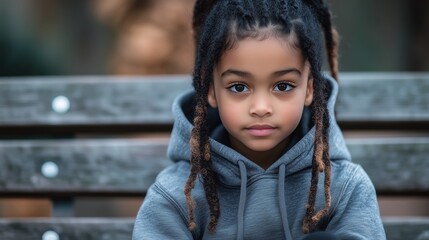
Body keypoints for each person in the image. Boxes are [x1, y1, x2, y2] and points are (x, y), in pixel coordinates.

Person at [133, 0, 386, 239]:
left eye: (283, 86)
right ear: (210, 89)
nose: (261, 108)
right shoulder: (178, 196)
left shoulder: (344, 189)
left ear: (309, 90)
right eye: (239, 87)